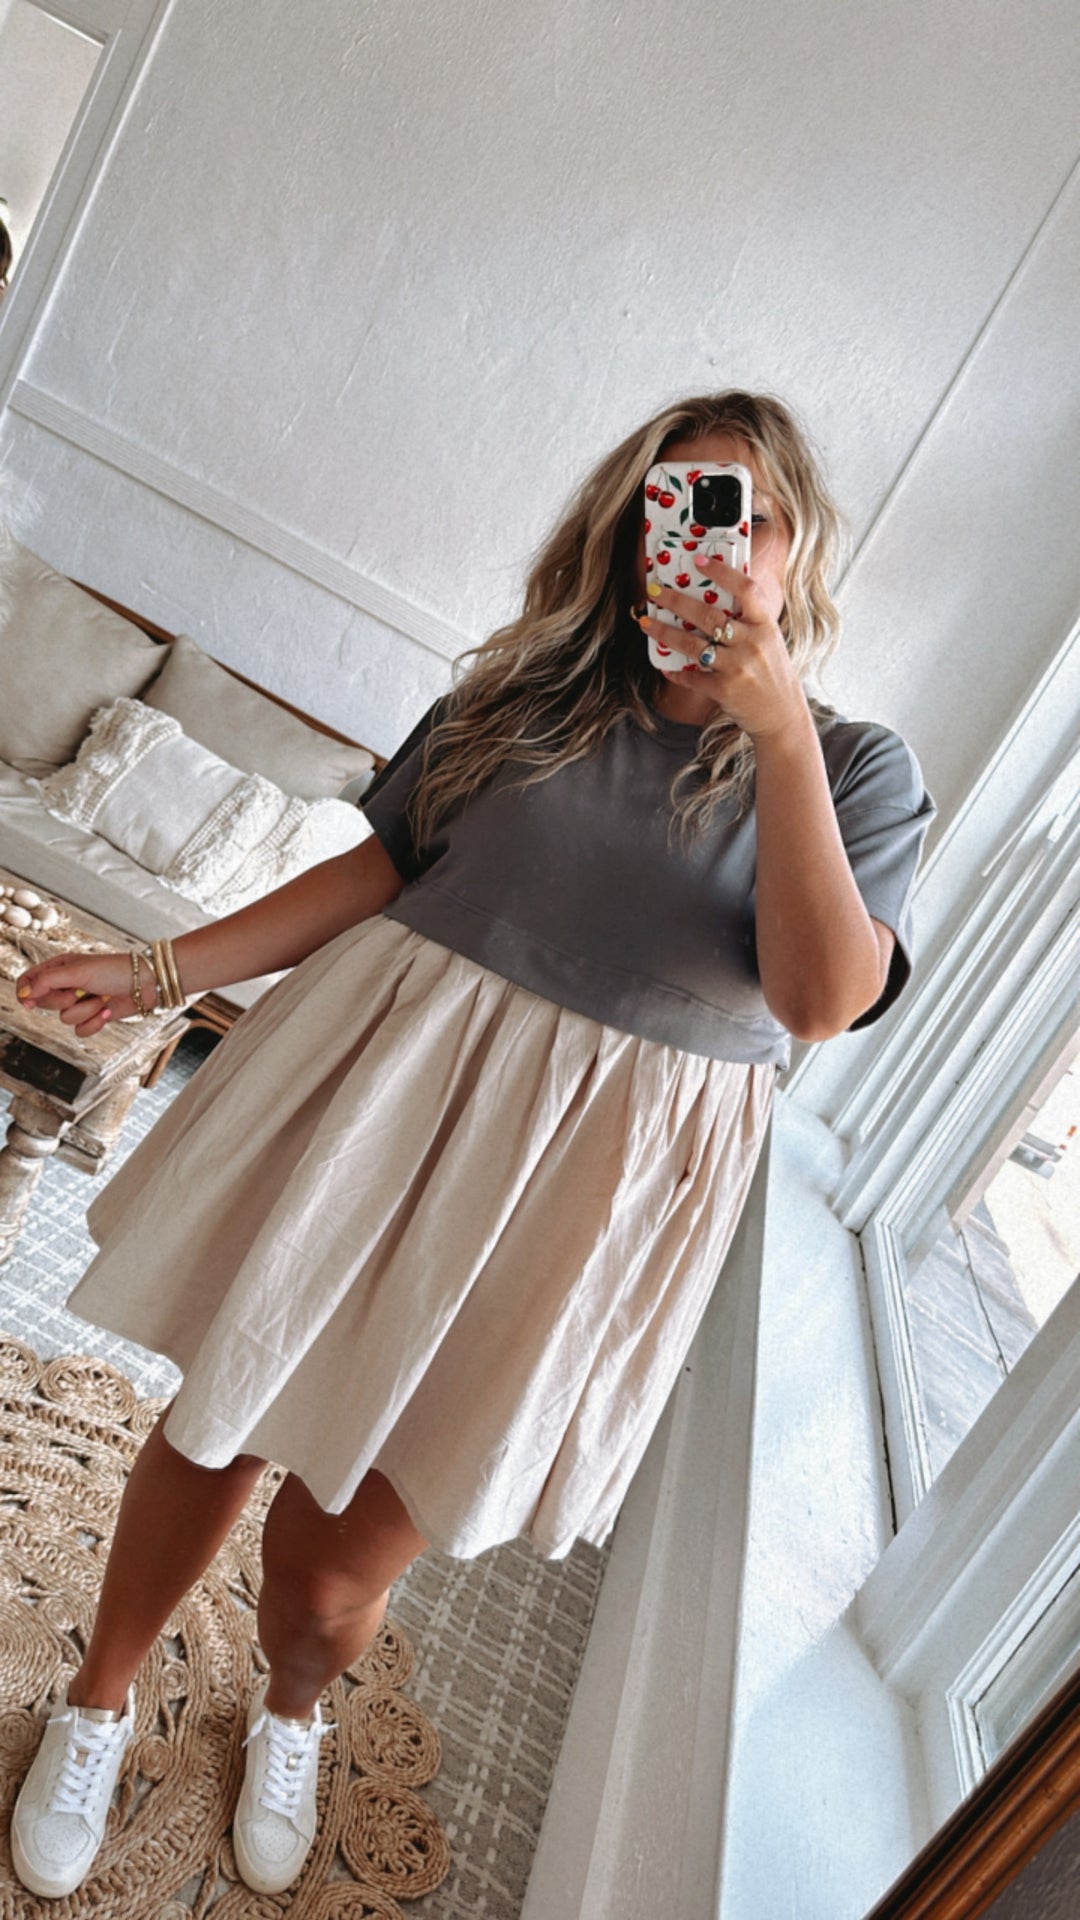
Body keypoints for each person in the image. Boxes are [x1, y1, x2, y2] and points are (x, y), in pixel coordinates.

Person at [8, 390, 935, 1898]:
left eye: (746, 514)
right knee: (217, 1423)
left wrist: (775, 730)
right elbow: (373, 875)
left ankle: (293, 1706)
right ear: (626, 532)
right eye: (676, 505)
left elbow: (819, 1001)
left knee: (333, 1569)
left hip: (581, 1206)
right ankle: (99, 1699)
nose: (713, 543)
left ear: (795, 545)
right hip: (385, 1111)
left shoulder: (858, 772)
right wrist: (161, 968)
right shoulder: (517, 703)